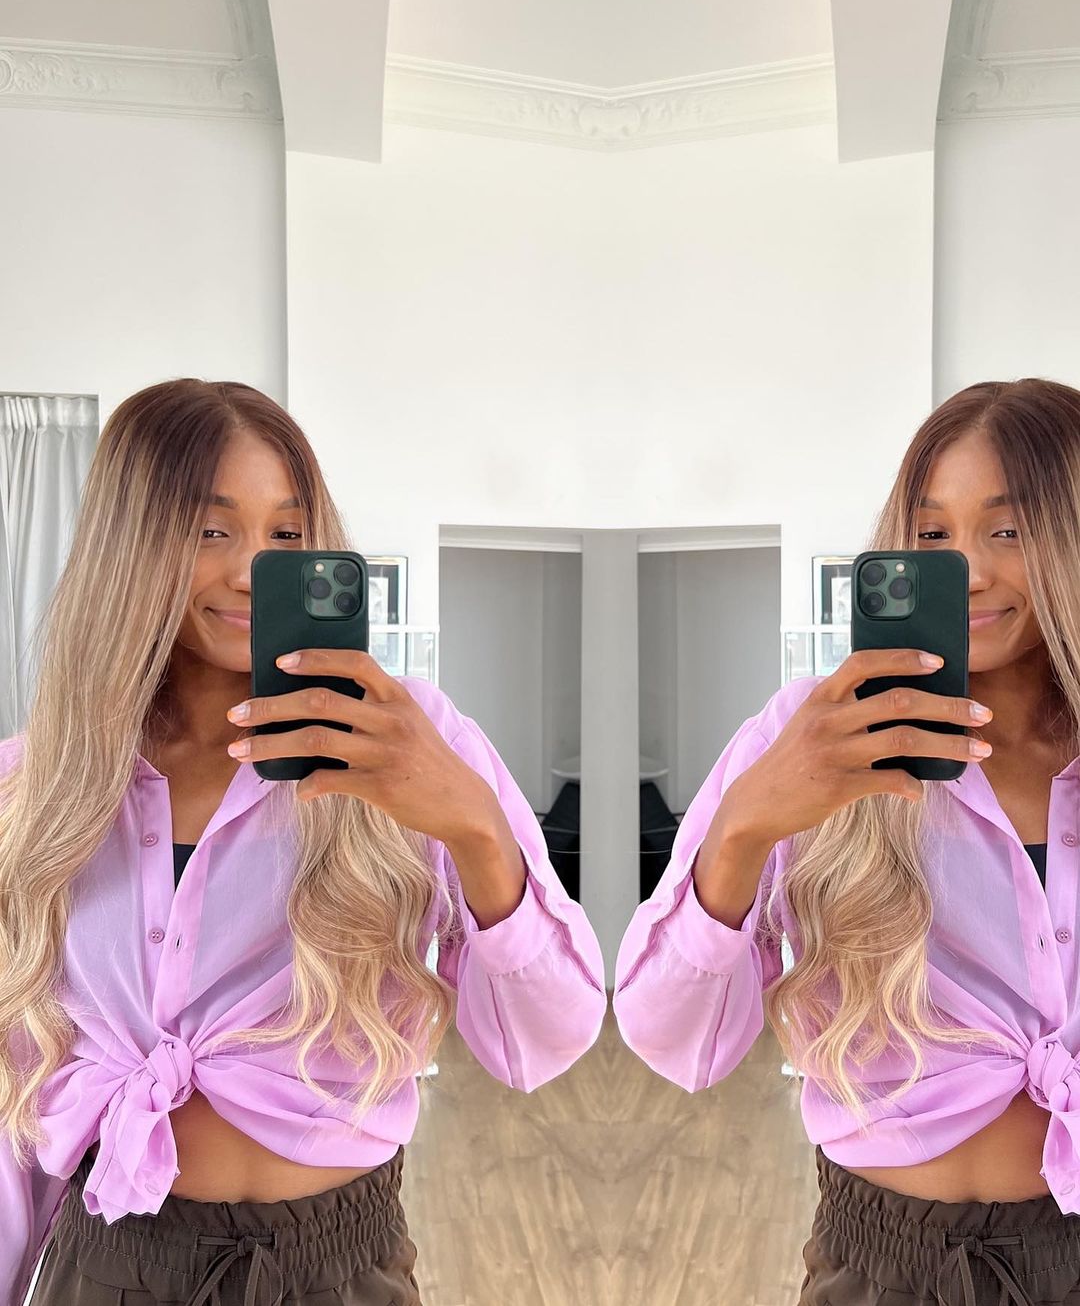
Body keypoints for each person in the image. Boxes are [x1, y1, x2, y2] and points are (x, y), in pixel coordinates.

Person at [0, 379, 606, 1306]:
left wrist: (474, 828)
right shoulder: (38, 785)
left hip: (337, 1265)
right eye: (211, 531)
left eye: (286, 533)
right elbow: (17, 1095)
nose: (254, 570)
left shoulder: (413, 740)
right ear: (130, 543)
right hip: (108, 1263)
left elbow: (542, 1043)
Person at [614, 379, 1080, 1305]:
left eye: (1008, 530)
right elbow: (675, 1041)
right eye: (933, 533)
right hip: (883, 1262)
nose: (967, 571)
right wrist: (747, 827)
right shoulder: (809, 734)